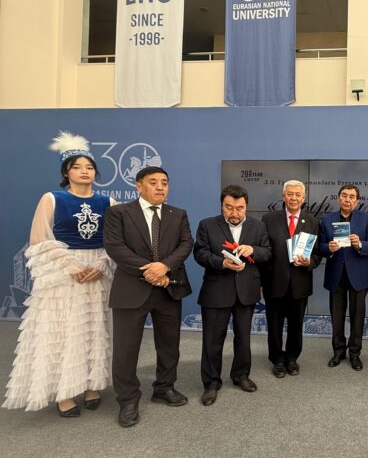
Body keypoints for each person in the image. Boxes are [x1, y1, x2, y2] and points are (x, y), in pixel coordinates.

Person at [3, 132, 115, 417]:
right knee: (64, 330)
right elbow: (39, 239)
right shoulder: (52, 198)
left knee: (94, 329)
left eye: (89, 167)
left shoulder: (108, 201)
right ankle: (64, 392)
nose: (84, 171)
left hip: (98, 271)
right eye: (77, 167)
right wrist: (73, 266)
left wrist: (101, 263)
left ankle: (92, 385)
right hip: (63, 272)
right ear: (67, 172)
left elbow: (116, 241)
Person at [104, 166, 194, 427]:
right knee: (126, 348)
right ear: (139, 186)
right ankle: (128, 398)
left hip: (168, 287)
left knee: (169, 344)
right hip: (131, 289)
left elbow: (185, 244)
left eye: (164, 182)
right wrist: (151, 271)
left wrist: (164, 266)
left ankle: (164, 387)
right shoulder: (119, 213)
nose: (160, 187)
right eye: (153, 182)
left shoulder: (178, 214)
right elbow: (115, 247)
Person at [193, 185, 271, 406]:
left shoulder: (258, 226)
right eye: (229, 207)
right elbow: (200, 253)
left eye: (239, 208)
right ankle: (211, 383)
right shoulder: (207, 225)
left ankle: (241, 375)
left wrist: (253, 250)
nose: (234, 213)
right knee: (212, 340)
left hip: (246, 291)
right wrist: (222, 263)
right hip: (216, 290)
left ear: (246, 206)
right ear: (222, 206)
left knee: (243, 338)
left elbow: (268, 252)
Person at [261, 180, 321, 378]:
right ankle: (277, 359)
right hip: (274, 282)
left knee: (296, 325)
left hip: (300, 283)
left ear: (304, 198)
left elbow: (317, 254)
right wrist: (262, 281)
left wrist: (309, 262)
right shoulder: (268, 219)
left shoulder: (312, 221)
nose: (294, 198)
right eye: (290, 194)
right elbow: (263, 251)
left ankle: (292, 358)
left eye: (298, 194)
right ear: (283, 196)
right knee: (274, 325)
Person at [319, 184, 368, 371]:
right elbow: (320, 247)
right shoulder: (327, 220)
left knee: (357, 316)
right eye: (344, 196)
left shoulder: (366, 218)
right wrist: (328, 248)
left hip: (358, 275)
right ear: (338, 198)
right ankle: (338, 351)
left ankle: (355, 353)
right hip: (336, 275)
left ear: (357, 201)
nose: (347, 199)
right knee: (336, 316)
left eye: (352, 197)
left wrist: (360, 244)